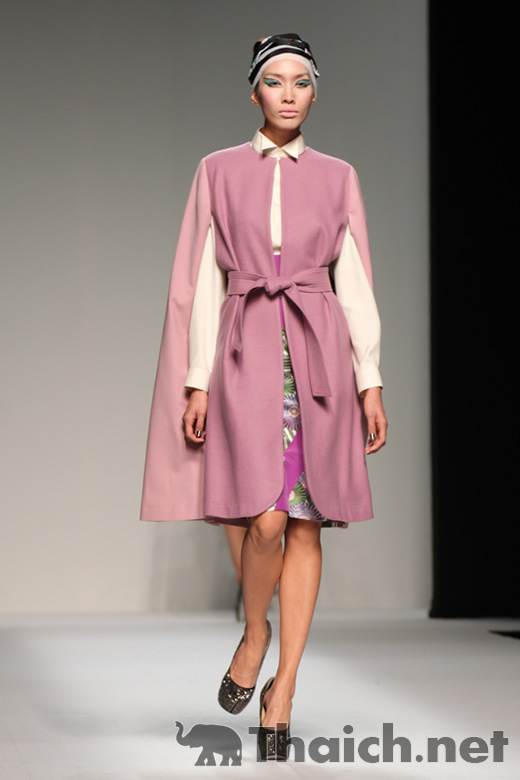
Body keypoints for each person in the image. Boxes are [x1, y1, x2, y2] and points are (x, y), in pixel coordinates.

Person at [140, 33, 387, 761]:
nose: (288, 93)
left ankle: (284, 690)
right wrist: (195, 378)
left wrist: (369, 379)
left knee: (305, 524)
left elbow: (355, 284)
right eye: (274, 81)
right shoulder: (217, 170)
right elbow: (202, 281)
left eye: (301, 82)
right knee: (262, 516)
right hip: (244, 353)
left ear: (315, 93)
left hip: (318, 355)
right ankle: (255, 634)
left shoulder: (338, 177)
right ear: (253, 92)